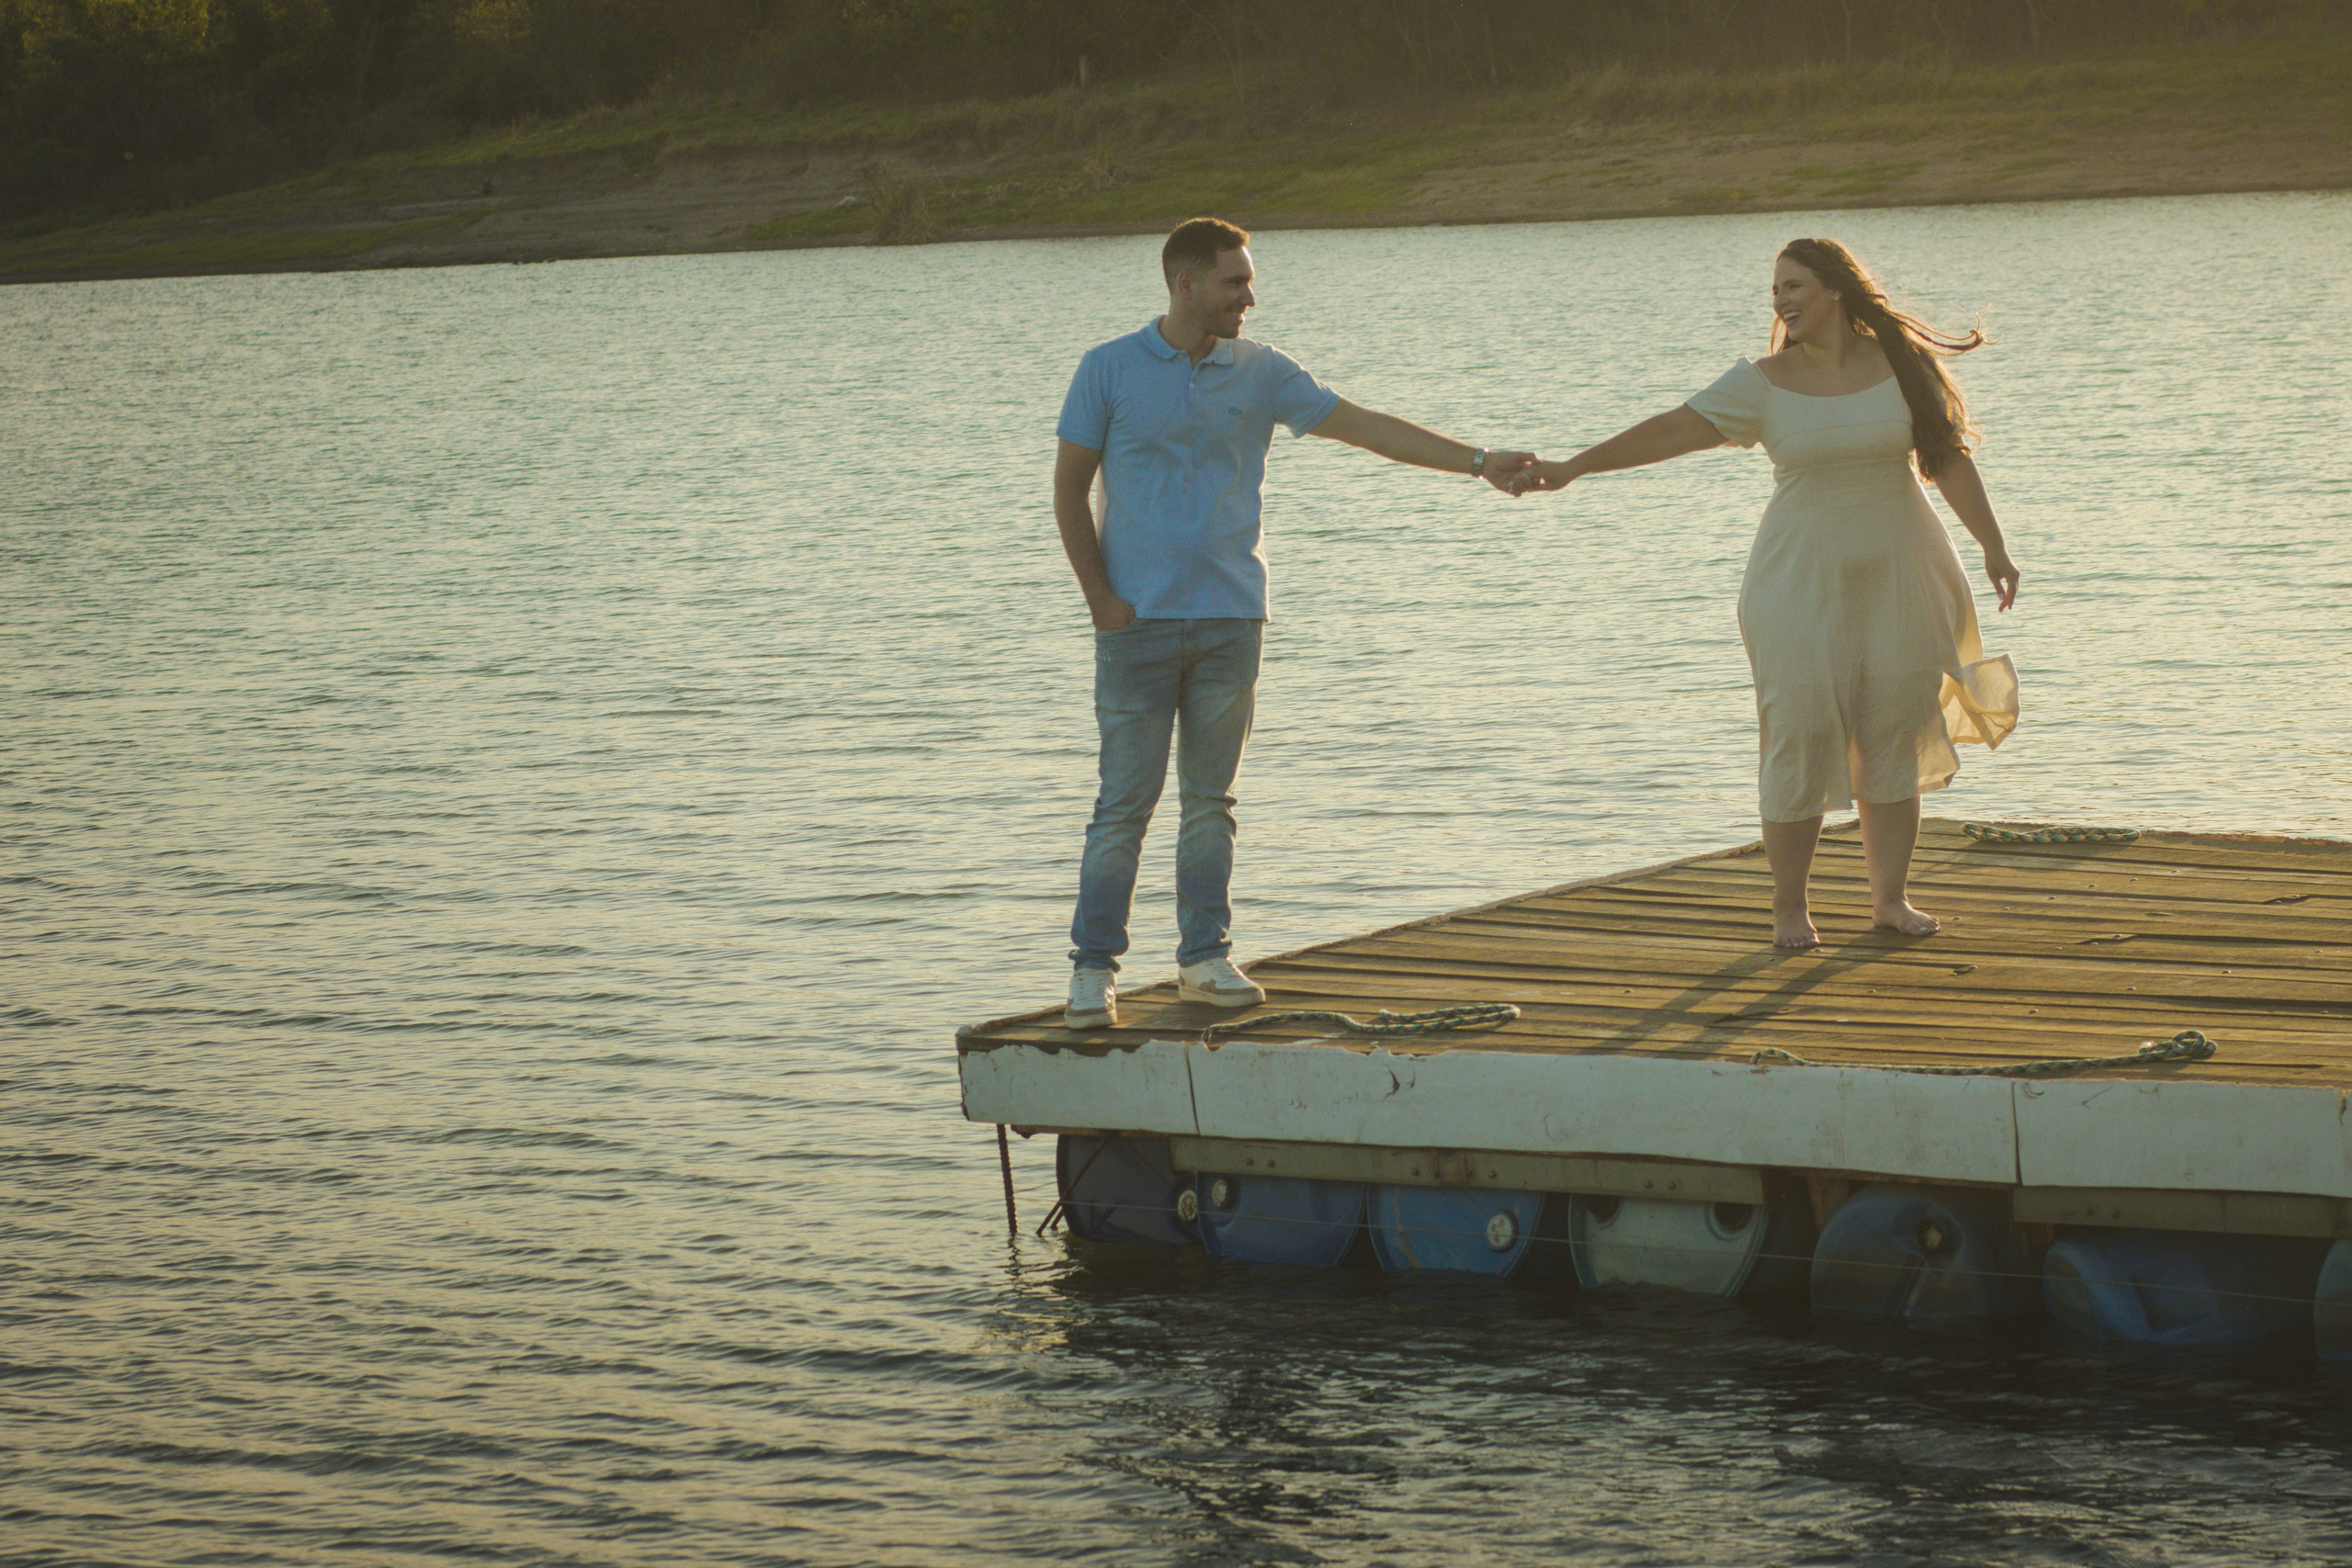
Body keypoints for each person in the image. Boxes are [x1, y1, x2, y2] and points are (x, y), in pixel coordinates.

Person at [1056, 216, 1534, 1028]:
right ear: (1184, 284)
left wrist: (1480, 462)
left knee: (1212, 801)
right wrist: (1102, 600)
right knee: (1123, 804)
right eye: (1234, 281)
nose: (1250, 296)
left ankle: (1203, 958)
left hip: (1231, 618)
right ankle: (1092, 971)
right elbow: (1069, 490)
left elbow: (1367, 426)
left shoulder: (1263, 371)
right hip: (1135, 625)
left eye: (1249, 279)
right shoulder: (1107, 369)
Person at [1510, 237, 2020, 949]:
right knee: (1800, 731)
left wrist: (1993, 544)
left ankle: (1890, 901)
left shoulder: (1902, 365)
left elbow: (1945, 459)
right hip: (1798, 578)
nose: (1781, 301)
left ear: (1837, 290)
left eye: (1795, 286)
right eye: (1776, 290)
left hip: (1905, 569)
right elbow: (1671, 428)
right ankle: (1790, 909)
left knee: (1892, 732)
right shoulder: (1762, 382)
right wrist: (1574, 468)